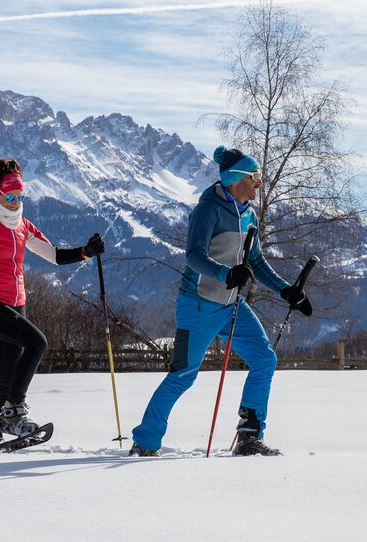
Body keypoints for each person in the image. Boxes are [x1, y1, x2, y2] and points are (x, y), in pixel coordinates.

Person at [130, 146, 311, 457]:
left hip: (232, 307)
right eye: (255, 176)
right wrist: (226, 273)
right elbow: (194, 256)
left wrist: (285, 291)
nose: (259, 183)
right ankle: (145, 442)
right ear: (236, 178)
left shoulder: (249, 213)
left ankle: (250, 436)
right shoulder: (208, 209)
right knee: (183, 376)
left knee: (265, 360)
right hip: (198, 305)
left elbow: (256, 261)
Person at [0, 158, 105, 447]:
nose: (15, 202)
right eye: (10, 197)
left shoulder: (22, 225)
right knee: (38, 343)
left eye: (20, 197)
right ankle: (14, 411)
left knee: (5, 376)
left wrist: (86, 252)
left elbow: (53, 255)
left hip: (17, 303)